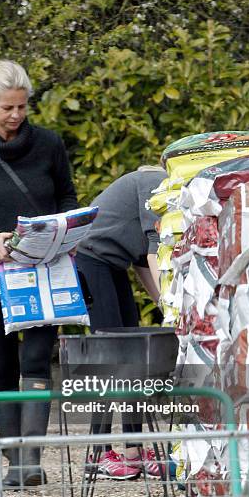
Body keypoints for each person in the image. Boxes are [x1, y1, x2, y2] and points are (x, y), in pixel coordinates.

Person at [0, 60, 78, 487]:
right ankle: (11, 461)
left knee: (37, 358)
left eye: (23, 107)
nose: (16, 116)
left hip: (43, 269)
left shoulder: (49, 144)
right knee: (2, 364)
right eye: (7, 108)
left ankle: (32, 461)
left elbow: (66, 196)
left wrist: (64, 232)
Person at [75, 166, 167, 480]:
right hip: (90, 260)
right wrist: (172, 302)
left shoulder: (160, 187)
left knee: (131, 354)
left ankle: (134, 451)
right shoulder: (157, 184)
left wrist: (162, 303)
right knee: (109, 356)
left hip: (113, 264)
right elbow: (155, 250)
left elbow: (142, 260)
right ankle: (98, 453)